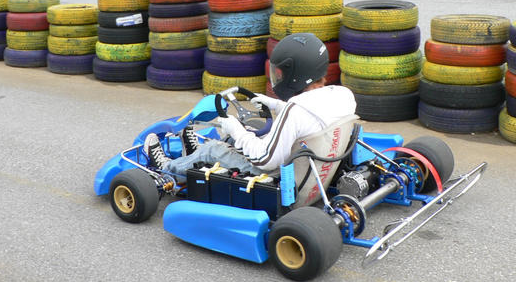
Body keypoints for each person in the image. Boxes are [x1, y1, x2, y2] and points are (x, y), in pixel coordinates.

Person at [144, 32, 357, 177]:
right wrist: (274, 104)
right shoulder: (343, 95)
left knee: (213, 149)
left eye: (281, 73)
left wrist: (237, 130)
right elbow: (312, 120)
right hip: (314, 166)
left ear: (295, 75)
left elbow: (265, 160)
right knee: (244, 134)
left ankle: (167, 168)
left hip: (276, 175)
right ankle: (193, 156)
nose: (277, 78)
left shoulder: (296, 111)